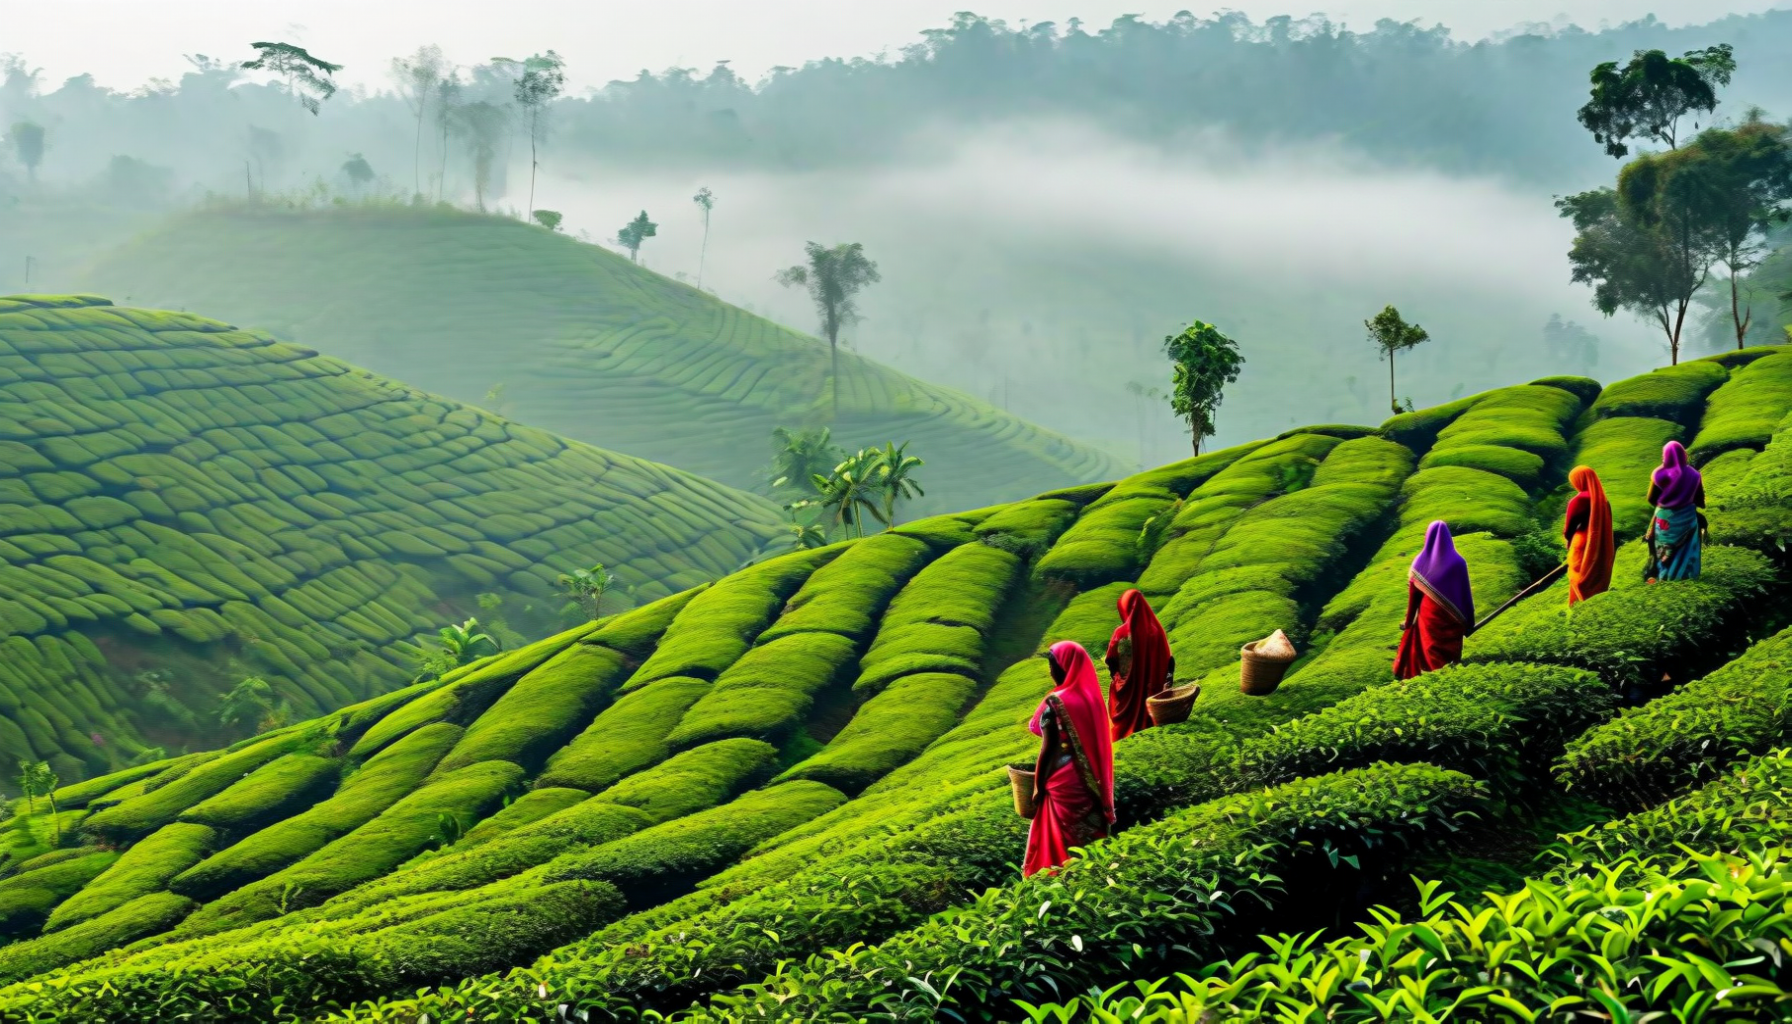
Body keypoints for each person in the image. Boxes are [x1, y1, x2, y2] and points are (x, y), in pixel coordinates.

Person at [1023, 641, 1116, 877]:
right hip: (1089, 783)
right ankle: (1089, 878)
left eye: (1052, 666)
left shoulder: (1057, 702)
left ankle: (1054, 880)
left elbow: (1048, 750)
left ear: (1062, 667)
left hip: (1061, 782)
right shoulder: (1092, 699)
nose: (1050, 671)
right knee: (1085, 838)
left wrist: (1038, 786)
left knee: (1056, 839)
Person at [1393, 521, 1474, 680]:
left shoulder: (1419, 563)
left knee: (1429, 652)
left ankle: (1430, 682)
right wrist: (1469, 624)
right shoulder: (1459, 563)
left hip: (1429, 620)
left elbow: (1413, 600)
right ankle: (1448, 679)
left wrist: (1409, 623)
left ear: (1427, 538)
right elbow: (1466, 596)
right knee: (1448, 657)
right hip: (1453, 620)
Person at [1104, 589, 1174, 742]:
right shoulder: (1156, 632)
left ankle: (1124, 734)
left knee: (1114, 688)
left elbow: (1111, 660)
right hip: (1152, 688)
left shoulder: (1120, 633)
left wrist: (1118, 678)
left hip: (1125, 691)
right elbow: (1168, 661)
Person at [1645, 440, 1705, 582]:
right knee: (1687, 549)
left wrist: (1665, 505)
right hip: (1687, 517)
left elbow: (1651, 498)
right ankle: (1687, 577)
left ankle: (1664, 577)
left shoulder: (1658, 473)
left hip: (1665, 518)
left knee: (1664, 548)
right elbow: (1700, 500)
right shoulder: (1695, 475)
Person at [1563, 465, 1615, 605]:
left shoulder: (1578, 500)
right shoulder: (1604, 501)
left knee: (1579, 576)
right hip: (1600, 543)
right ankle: (1595, 603)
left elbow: (1569, 529)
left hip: (1582, 543)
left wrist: (1568, 542)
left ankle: (1581, 605)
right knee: (1594, 575)